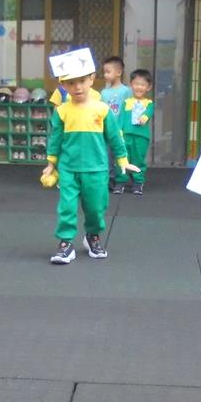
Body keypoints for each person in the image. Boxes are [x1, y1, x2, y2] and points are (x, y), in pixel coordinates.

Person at [42, 48, 138, 264]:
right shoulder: (62, 111)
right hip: (68, 169)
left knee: (95, 208)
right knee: (66, 207)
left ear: (91, 79)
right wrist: (51, 164)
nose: (77, 87)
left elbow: (114, 136)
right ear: (63, 84)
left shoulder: (102, 109)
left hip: (97, 169)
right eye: (71, 83)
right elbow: (55, 139)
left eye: (82, 81)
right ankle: (66, 243)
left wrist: (122, 160)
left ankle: (93, 236)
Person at [113, 68, 154, 195]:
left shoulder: (149, 103)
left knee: (138, 159)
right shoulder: (127, 102)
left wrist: (145, 117)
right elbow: (121, 118)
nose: (139, 87)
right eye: (136, 84)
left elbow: (149, 112)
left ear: (148, 87)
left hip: (141, 136)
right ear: (131, 85)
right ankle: (120, 182)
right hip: (126, 135)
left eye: (142, 85)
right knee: (122, 158)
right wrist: (119, 131)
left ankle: (138, 182)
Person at [100, 56, 132, 189]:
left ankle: (122, 179)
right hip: (106, 130)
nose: (105, 75)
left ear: (119, 72)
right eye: (104, 72)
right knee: (106, 155)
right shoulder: (103, 92)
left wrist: (126, 128)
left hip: (121, 129)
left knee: (121, 154)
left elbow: (129, 110)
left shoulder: (126, 91)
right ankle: (110, 180)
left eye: (108, 72)